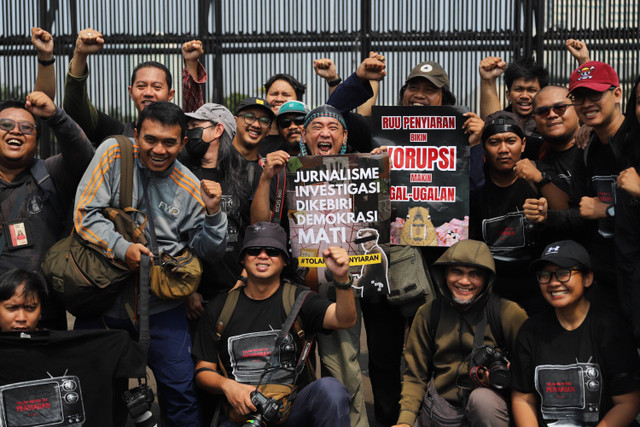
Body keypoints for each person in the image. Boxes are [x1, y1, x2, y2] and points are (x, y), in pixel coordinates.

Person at [72, 101, 228, 426]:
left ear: (183, 142)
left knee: (181, 393)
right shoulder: (113, 154)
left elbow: (209, 251)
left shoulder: (189, 187)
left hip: (162, 307)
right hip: (103, 299)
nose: (159, 149)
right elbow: (85, 215)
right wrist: (122, 248)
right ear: (136, 134)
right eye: (150, 139)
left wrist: (214, 213)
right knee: (93, 393)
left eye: (169, 142)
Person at [251, 105, 371, 427]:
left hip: (339, 285)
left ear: (344, 136)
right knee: (290, 371)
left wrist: (378, 168)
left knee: (345, 370)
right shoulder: (285, 172)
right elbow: (259, 227)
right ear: (304, 135)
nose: (324, 133)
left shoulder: (359, 171)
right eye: (316, 126)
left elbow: (376, 226)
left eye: (333, 126)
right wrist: (265, 178)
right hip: (293, 288)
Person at [193, 222, 355, 426]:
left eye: (272, 251)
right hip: (243, 416)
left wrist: (342, 278)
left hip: (292, 410)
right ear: (242, 258)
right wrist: (228, 386)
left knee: (331, 390)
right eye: (253, 251)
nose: (263, 256)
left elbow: (345, 319)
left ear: (285, 261)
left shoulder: (299, 300)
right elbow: (203, 371)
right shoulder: (219, 308)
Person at [393, 239, 528, 427]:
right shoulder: (428, 313)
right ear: (444, 274)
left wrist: (507, 375)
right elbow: (415, 376)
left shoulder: (507, 312)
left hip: (490, 408)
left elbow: (530, 370)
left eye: (474, 274)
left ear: (487, 279)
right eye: (456, 272)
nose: (464, 281)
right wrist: (405, 421)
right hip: (440, 409)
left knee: (483, 401)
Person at [511, 240, 640, 426]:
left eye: (563, 273)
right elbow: (523, 399)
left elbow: (628, 402)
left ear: (587, 278)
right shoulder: (530, 331)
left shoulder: (611, 328)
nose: (554, 283)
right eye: (545, 275)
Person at [0, 92, 94, 330]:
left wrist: (56, 116)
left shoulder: (49, 174)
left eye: (26, 127)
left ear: (37, 142)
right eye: (6, 125)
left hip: (44, 316)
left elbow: (84, 158)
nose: (15, 131)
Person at [470, 111, 547, 314]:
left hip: (535, 285)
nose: (503, 149)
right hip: (490, 287)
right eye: (494, 142)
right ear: (484, 148)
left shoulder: (536, 177)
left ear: (523, 144)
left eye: (510, 141)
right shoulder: (477, 183)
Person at [63, 27, 184, 144]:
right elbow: (75, 108)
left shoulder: (184, 135)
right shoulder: (117, 134)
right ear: (131, 92)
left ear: (170, 94)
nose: (148, 92)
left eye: (157, 87)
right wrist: (80, 54)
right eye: (141, 86)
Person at [569, 60, 625, 310]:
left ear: (617, 94)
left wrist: (607, 211)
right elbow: (581, 207)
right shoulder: (587, 147)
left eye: (594, 94)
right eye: (579, 98)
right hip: (603, 272)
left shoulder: (634, 142)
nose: (587, 104)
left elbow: (597, 209)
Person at [520, 85, 592, 244]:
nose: (552, 115)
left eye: (560, 108)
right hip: (550, 256)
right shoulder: (533, 150)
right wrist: (488, 81)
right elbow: (499, 132)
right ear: (534, 119)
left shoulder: (595, 145)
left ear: (577, 110)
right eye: (543, 111)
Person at [478, 56, 549, 159]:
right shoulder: (499, 119)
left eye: (531, 90)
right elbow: (492, 123)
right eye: (519, 89)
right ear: (508, 95)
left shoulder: (551, 121)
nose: (525, 96)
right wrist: (488, 79)